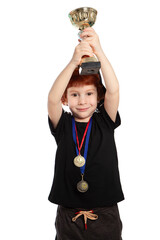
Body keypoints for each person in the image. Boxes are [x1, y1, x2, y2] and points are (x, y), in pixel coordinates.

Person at [48, 27, 124, 240]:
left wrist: (97, 50)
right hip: (69, 216)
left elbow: (114, 89)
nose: (82, 100)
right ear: (66, 98)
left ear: (99, 95)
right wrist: (73, 62)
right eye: (74, 94)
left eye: (89, 93)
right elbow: (52, 99)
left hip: (105, 213)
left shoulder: (105, 120)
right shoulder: (63, 125)